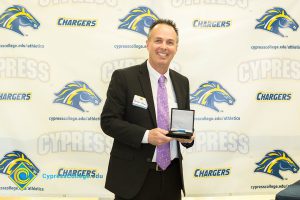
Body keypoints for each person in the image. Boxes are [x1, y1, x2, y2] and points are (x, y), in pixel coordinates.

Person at [101, 19, 194, 200]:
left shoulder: (182, 82)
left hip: (171, 177)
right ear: (148, 44)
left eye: (170, 42)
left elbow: (183, 125)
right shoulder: (124, 78)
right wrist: (146, 136)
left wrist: (188, 138)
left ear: (176, 47)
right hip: (132, 179)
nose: (164, 47)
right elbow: (108, 122)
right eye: (158, 40)